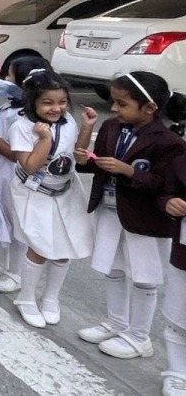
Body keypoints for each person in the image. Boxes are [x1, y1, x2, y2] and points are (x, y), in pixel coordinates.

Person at [75, 72, 186, 359]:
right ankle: (116, 322)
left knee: (143, 276)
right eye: (113, 102)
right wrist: (87, 141)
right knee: (114, 269)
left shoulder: (168, 141)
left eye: (122, 104)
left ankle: (140, 336)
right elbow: (92, 164)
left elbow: (165, 185)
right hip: (111, 211)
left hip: (145, 220)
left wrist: (129, 171)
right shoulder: (111, 127)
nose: (113, 109)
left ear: (149, 107)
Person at [7, 70, 94, 328]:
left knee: (65, 246)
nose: (57, 108)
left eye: (62, 101)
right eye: (48, 102)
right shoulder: (21, 126)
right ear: (32, 101)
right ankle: (25, 298)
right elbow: (31, 165)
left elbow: (78, 152)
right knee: (40, 246)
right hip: (34, 193)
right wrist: (44, 138)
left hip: (65, 191)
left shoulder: (67, 121)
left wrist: (88, 128)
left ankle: (51, 298)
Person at [0, 57, 49, 294]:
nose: (6, 80)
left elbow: (16, 154)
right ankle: (1, 264)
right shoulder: (10, 105)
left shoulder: (26, 115)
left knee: (14, 223)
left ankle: (15, 273)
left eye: (11, 76)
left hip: (8, 172)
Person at [160, 126, 186, 395]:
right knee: (179, 314)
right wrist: (169, 203)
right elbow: (167, 192)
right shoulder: (181, 163)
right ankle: (178, 371)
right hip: (184, 251)